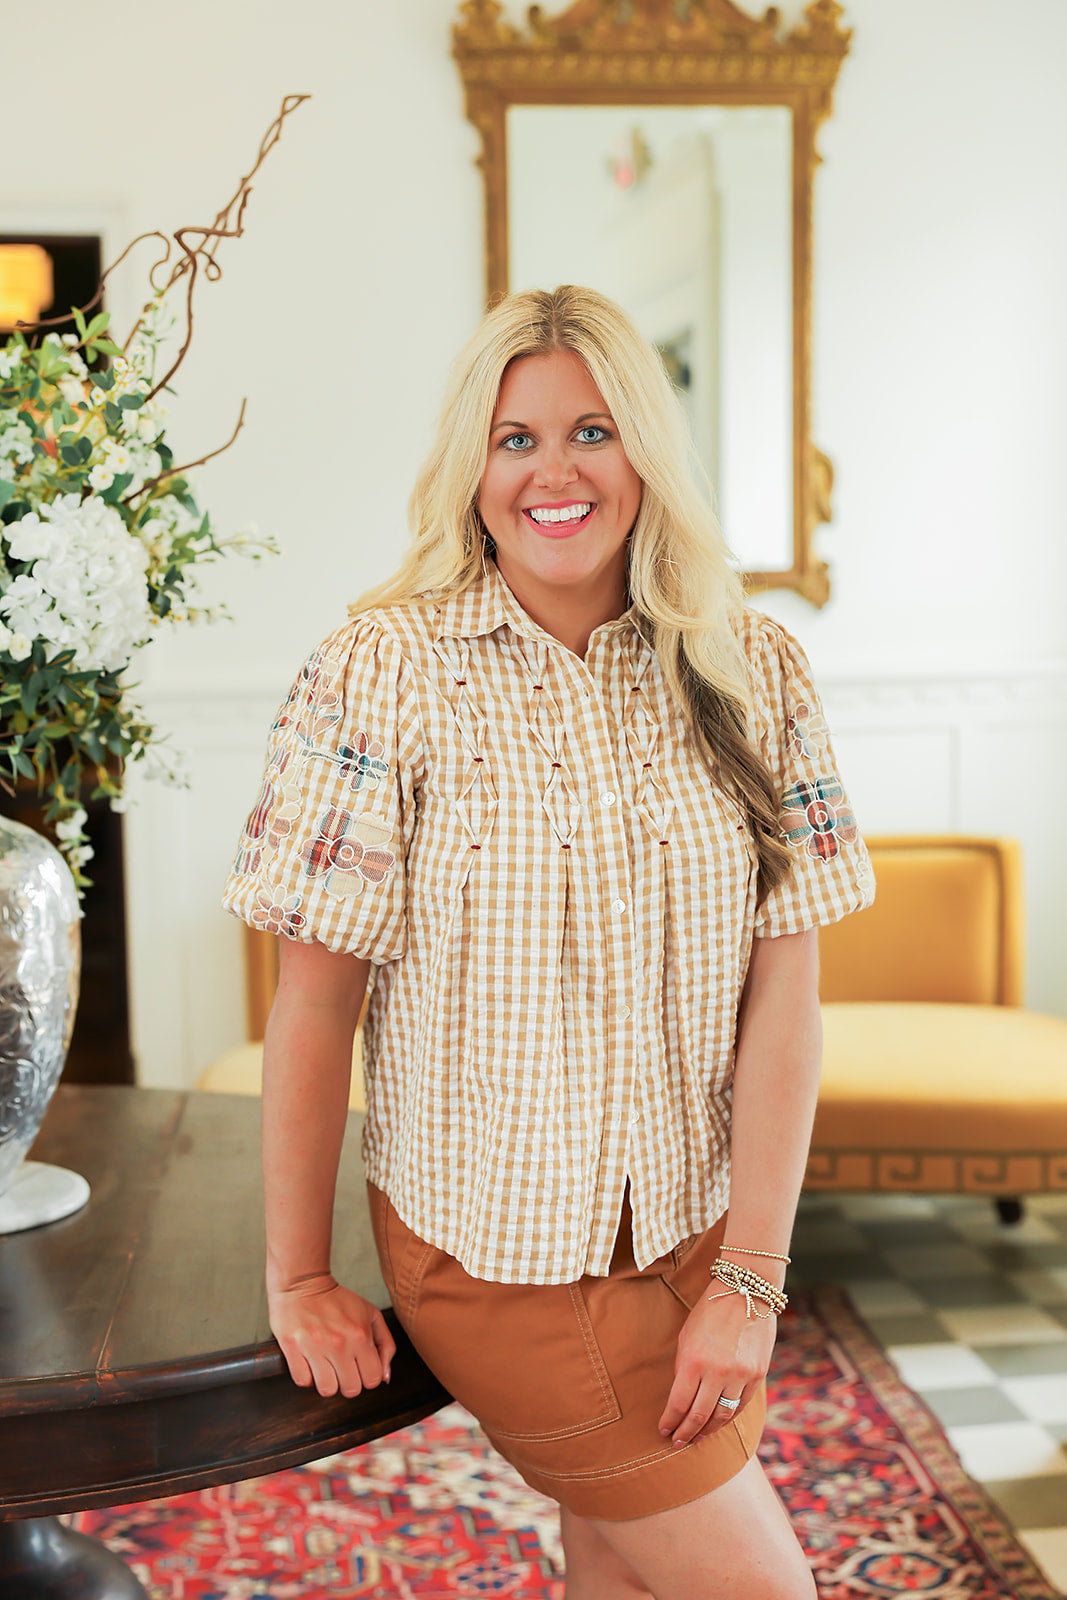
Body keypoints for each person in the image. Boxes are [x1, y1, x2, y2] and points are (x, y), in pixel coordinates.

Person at [222, 284, 874, 1600]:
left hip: (695, 1231)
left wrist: (750, 1275)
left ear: (647, 449)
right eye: (515, 439)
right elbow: (314, 1005)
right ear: (472, 468)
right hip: (495, 1251)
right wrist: (298, 1276)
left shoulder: (756, 667)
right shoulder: (383, 669)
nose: (553, 473)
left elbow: (786, 1001)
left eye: (592, 430)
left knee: (623, 1570)